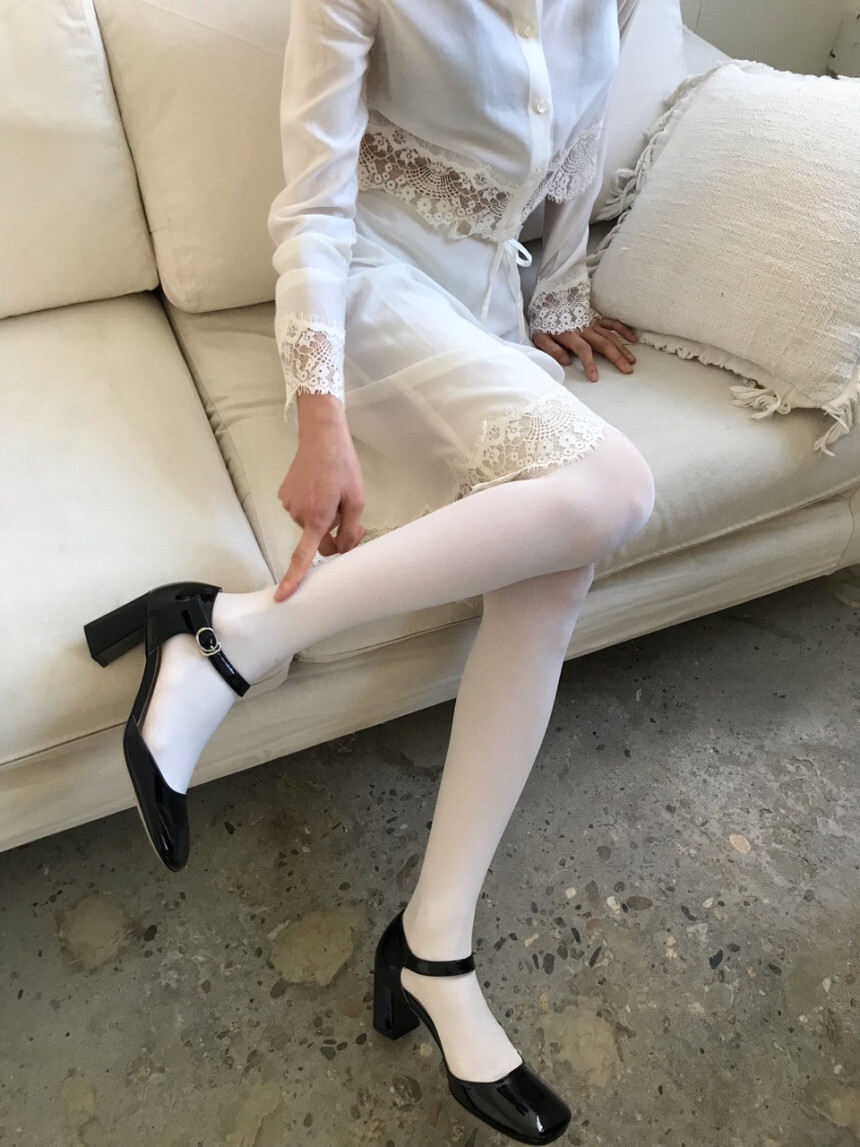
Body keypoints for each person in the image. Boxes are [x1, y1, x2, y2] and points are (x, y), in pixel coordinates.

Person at [84, 1, 651, 1141]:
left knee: (556, 567)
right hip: (375, 288)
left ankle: (433, 941)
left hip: (485, 309)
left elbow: (579, 139)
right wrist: (320, 418)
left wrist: (556, 293)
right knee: (615, 489)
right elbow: (311, 207)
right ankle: (233, 636)